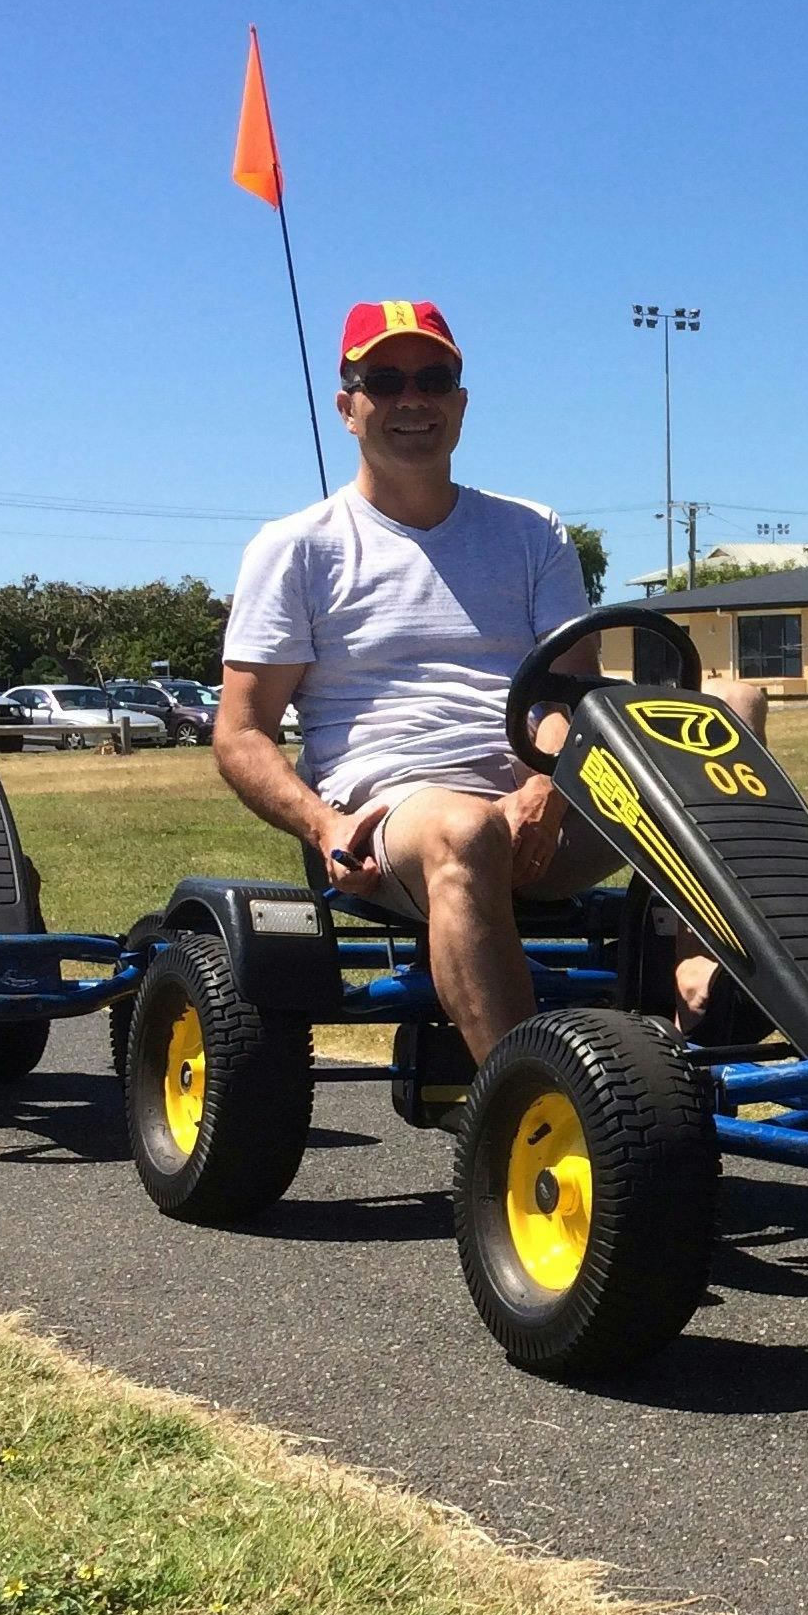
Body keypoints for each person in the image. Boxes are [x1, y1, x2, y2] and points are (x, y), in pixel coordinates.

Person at [215, 299, 766, 1063]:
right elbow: (241, 732)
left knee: (735, 706)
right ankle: (522, 1115)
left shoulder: (530, 530)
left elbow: (564, 695)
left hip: (545, 809)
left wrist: (546, 790)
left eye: (434, 378)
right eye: (385, 379)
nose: (413, 399)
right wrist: (323, 826)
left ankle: (698, 974)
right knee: (466, 830)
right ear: (348, 407)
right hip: (392, 819)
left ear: (461, 403)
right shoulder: (298, 549)